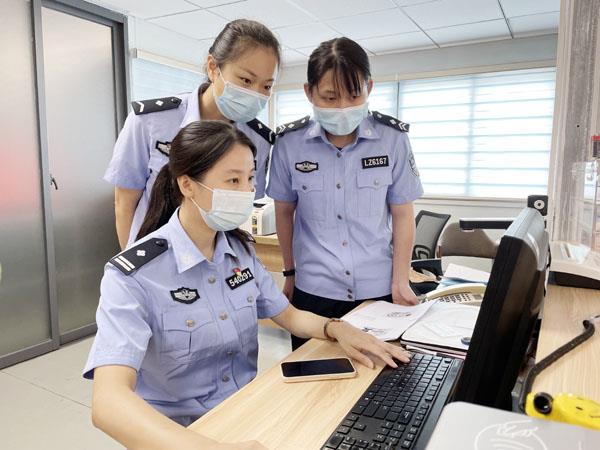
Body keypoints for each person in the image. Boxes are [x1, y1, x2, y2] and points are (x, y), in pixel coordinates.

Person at [84, 121, 411, 450]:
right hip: (180, 436)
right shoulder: (134, 275)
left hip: (248, 415)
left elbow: (288, 316)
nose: (247, 192)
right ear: (187, 185)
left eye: (251, 178)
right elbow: (109, 403)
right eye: (233, 180)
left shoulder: (239, 251)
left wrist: (337, 329)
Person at [266, 37, 424, 350]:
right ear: (309, 92)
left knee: (381, 377)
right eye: (330, 97)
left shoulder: (392, 139)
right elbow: (284, 213)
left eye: (354, 95)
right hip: (314, 292)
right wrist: (290, 273)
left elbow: (403, 214)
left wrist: (401, 279)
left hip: (378, 290)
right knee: (313, 373)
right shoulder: (288, 143)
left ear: (369, 88)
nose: (343, 108)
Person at [105, 19, 279, 249]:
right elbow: (124, 202)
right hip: (156, 253)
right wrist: (136, 264)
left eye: (266, 86)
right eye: (246, 80)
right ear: (213, 67)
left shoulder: (259, 140)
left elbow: (241, 210)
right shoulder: (151, 121)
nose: (255, 94)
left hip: (215, 259)